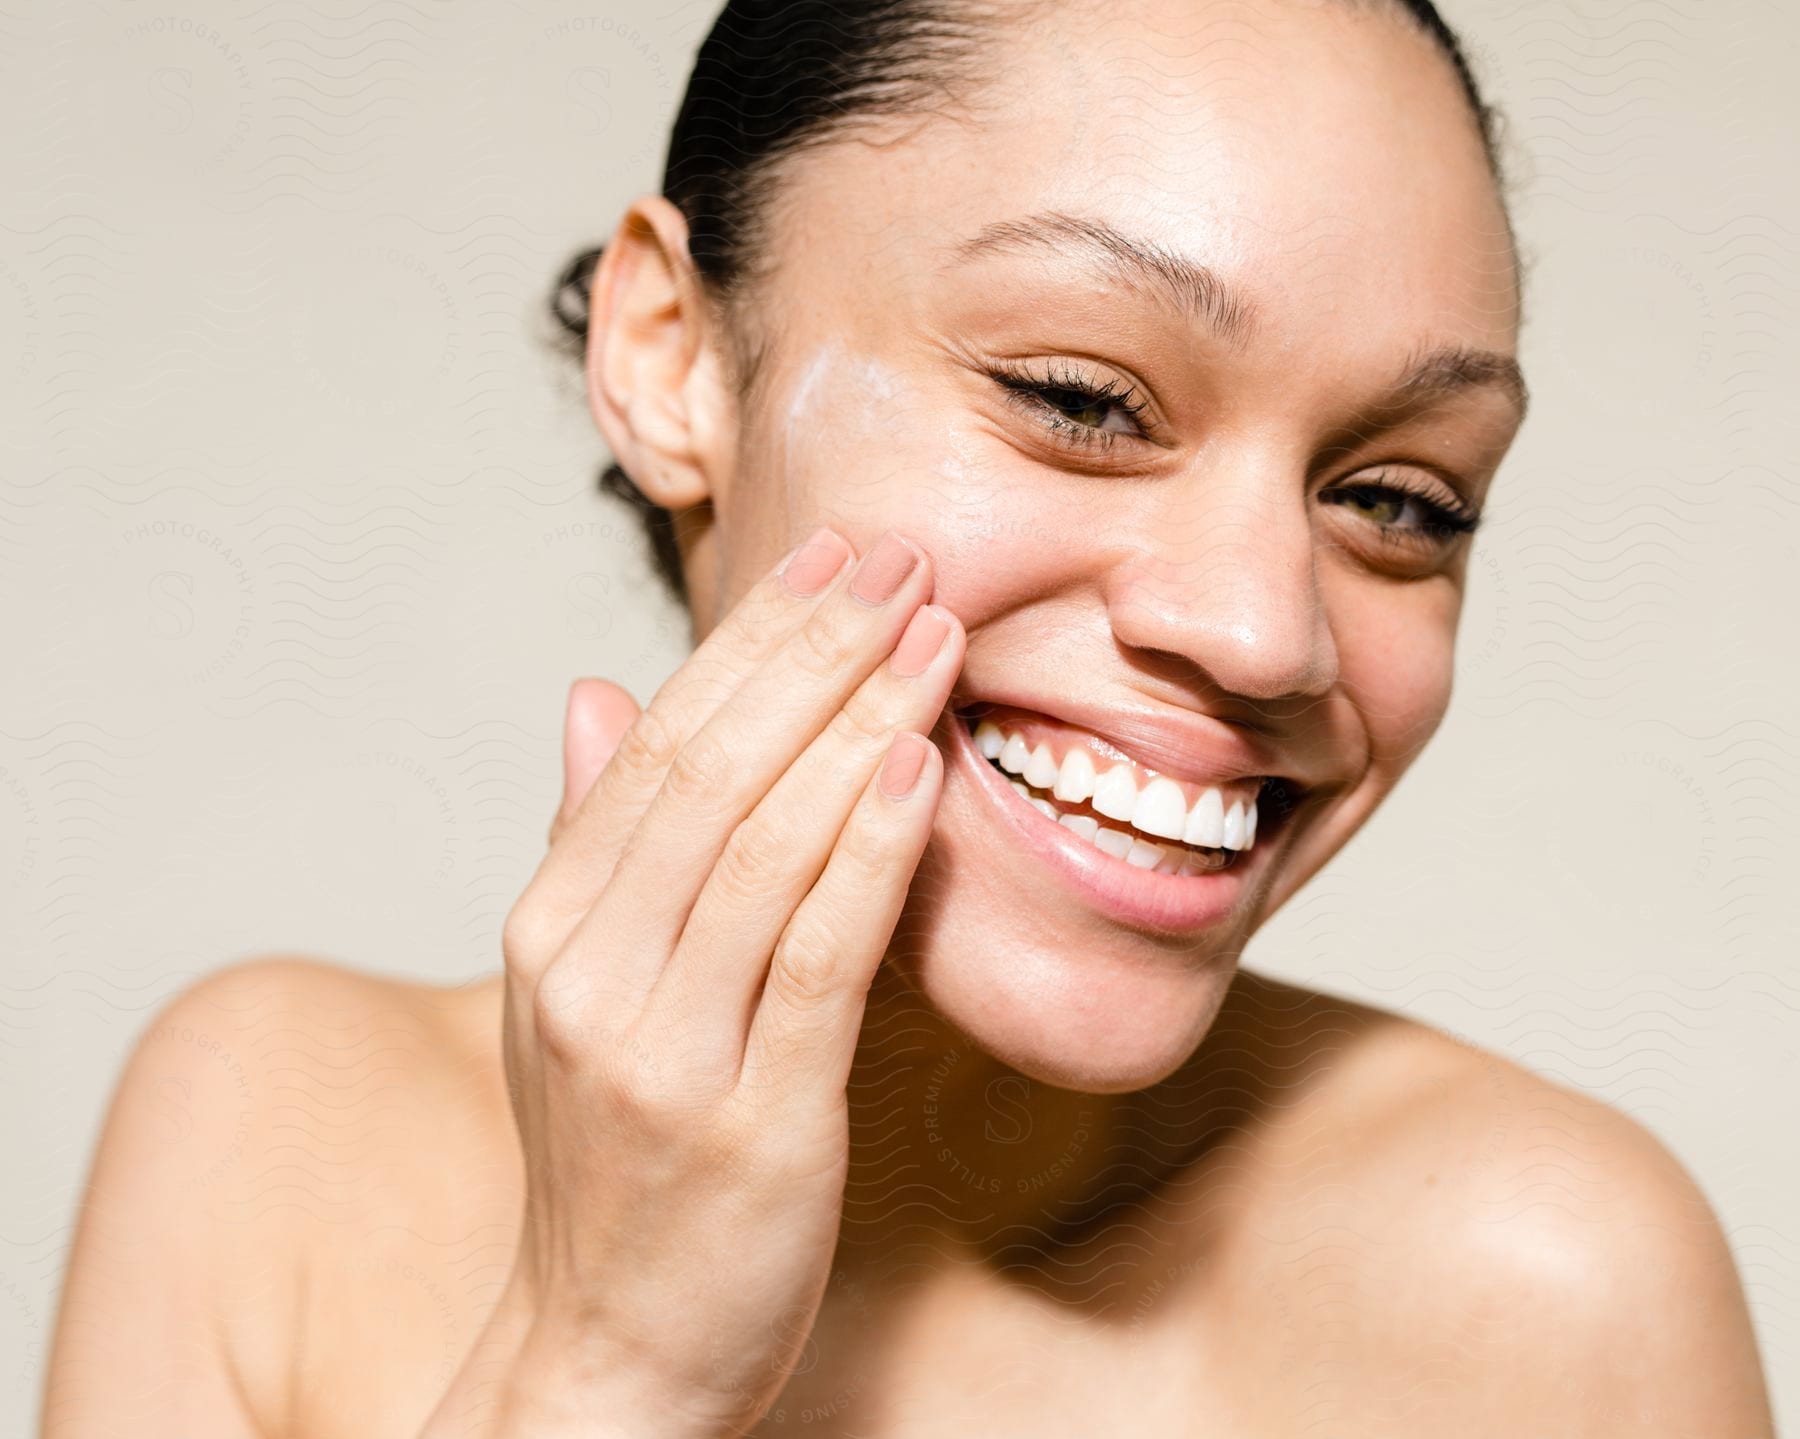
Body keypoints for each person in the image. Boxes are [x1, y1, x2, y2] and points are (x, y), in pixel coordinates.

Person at [43, 0, 1775, 1434]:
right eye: (1083, 397)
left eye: (1404, 500)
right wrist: (605, 1368)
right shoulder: (263, 1141)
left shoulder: (1547, 1296)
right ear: (671, 353)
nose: (1265, 631)